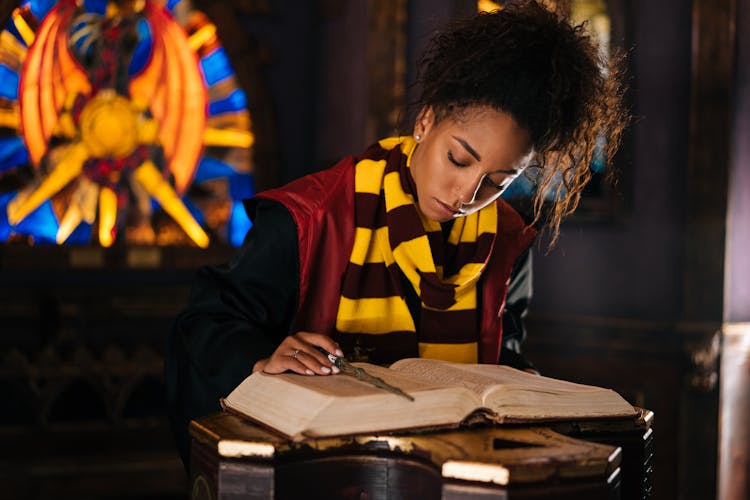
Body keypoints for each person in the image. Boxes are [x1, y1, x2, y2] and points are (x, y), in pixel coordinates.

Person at [165, 0, 627, 468]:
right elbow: (205, 326)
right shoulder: (312, 217)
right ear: (425, 120)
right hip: (324, 472)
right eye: (460, 159)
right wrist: (261, 358)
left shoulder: (508, 244)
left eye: (498, 182)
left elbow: (503, 358)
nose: (468, 193)